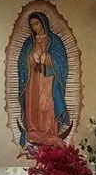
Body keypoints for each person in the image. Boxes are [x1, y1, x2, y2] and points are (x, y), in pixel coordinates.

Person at [18, 12, 70, 148]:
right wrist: (31, 58)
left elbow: (62, 61)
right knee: (33, 103)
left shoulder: (55, 41)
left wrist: (48, 58)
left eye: (37, 24)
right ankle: (33, 130)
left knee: (46, 104)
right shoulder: (29, 42)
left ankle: (50, 132)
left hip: (49, 78)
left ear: (43, 23)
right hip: (32, 79)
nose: (35, 27)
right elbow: (21, 62)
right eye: (32, 25)